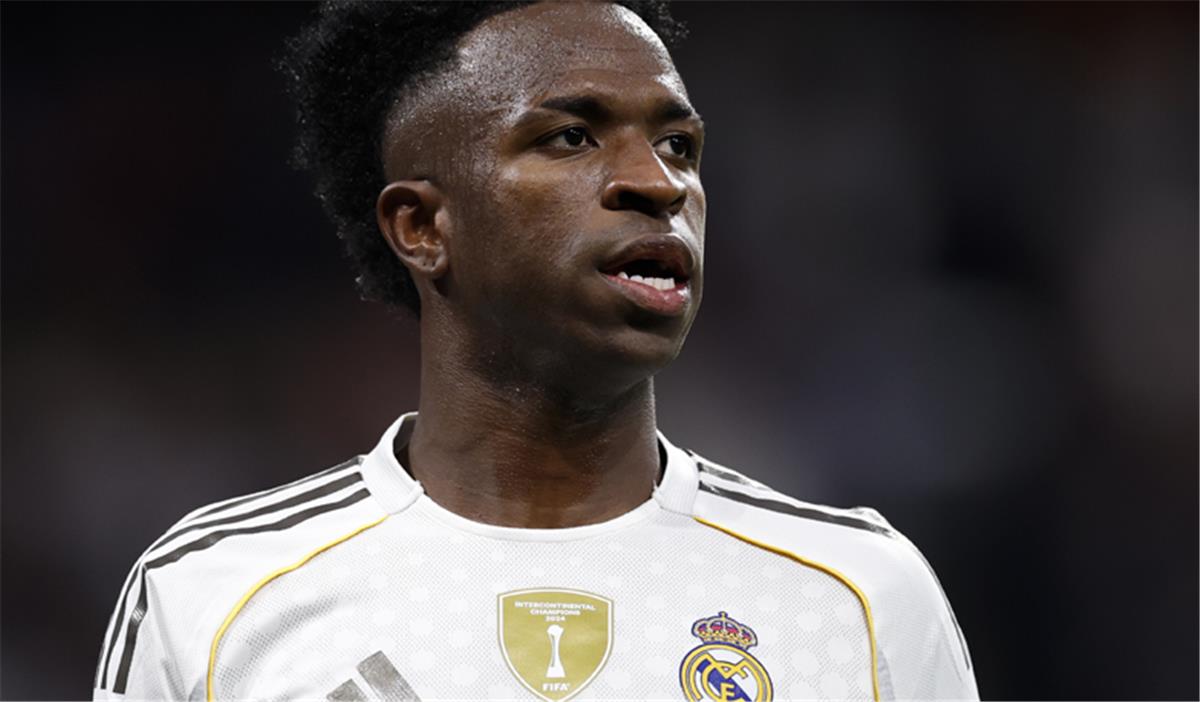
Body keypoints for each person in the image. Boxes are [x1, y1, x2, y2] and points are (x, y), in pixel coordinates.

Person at [94, 2, 978, 700]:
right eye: (571, 137)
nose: (659, 182)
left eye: (678, 145)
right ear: (422, 226)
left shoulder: (857, 597)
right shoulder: (217, 596)